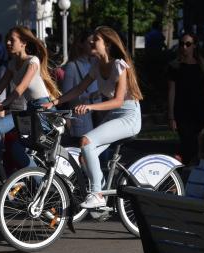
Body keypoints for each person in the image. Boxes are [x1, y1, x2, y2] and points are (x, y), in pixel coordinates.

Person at [43, 26, 143, 208]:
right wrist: (55, 102)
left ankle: (97, 194)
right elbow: (79, 89)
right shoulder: (97, 66)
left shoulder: (118, 65)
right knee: (85, 157)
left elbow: (118, 101)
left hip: (129, 116)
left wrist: (89, 106)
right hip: (115, 116)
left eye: (95, 39)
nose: (91, 41)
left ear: (107, 44)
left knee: (86, 141)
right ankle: (101, 190)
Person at [0, 26, 60, 167]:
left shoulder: (33, 61)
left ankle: (40, 182)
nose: (8, 43)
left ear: (23, 43)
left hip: (42, 110)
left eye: (12, 40)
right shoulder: (12, 64)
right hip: (29, 111)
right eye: (6, 40)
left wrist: (5, 103)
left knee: (17, 150)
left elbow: (21, 87)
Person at [167, 33, 204, 165]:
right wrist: (171, 116)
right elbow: (172, 91)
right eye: (182, 44)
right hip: (182, 111)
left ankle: (193, 169)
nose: (184, 47)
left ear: (194, 46)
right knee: (187, 142)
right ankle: (179, 166)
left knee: (201, 143)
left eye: (188, 44)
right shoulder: (175, 66)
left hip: (201, 109)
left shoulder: (202, 64)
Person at [62, 31, 99, 138]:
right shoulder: (72, 66)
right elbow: (66, 95)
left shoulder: (97, 64)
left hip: (98, 114)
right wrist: (91, 96)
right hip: (82, 117)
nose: (94, 46)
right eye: (90, 43)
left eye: (95, 43)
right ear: (81, 44)